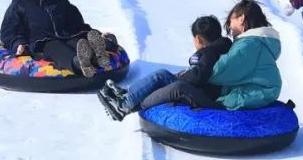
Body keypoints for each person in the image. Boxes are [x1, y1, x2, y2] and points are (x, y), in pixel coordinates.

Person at [0, 0, 117, 77]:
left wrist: (93, 33)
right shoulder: (19, 5)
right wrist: (19, 44)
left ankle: (100, 51)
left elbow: (75, 23)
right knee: (55, 47)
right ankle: (78, 63)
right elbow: (8, 33)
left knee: (77, 42)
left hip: (66, 36)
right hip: (40, 44)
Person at [99, 15, 232, 121]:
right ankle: (125, 95)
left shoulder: (210, 53)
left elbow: (198, 75)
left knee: (160, 75)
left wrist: (181, 76)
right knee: (163, 77)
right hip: (205, 91)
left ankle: (124, 104)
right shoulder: (220, 49)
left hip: (203, 94)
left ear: (198, 39)